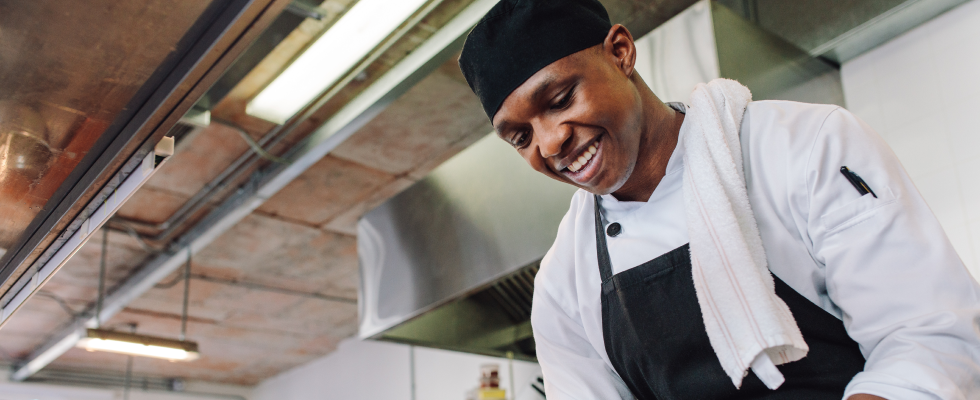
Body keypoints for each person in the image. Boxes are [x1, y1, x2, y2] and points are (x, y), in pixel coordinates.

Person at [456, 0, 980, 399]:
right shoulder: (563, 284)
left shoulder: (804, 147)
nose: (550, 143)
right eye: (521, 137)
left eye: (560, 98)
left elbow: (930, 338)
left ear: (620, 53)